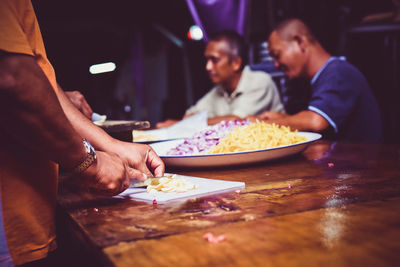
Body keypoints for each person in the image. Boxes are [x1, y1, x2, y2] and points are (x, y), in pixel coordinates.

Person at [0, 1, 164, 266]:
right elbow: (13, 79)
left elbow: (44, 83)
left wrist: (113, 146)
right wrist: (92, 164)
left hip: (29, 213)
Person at [247, 18, 383, 143]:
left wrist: (259, 124)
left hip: (363, 166)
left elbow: (316, 122)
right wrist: (283, 119)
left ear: (299, 42)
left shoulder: (338, 72)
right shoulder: (326, 75)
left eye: (277, 55)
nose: (276, 64)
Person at [156, 30, 285, 128]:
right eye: (207, 60)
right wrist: (186, 122)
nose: (208, 67)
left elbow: (236, 121)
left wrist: (183, 124)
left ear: (236, 63)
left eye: (214, 60)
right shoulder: (219, 90)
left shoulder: (260, 81)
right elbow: (188, 116)